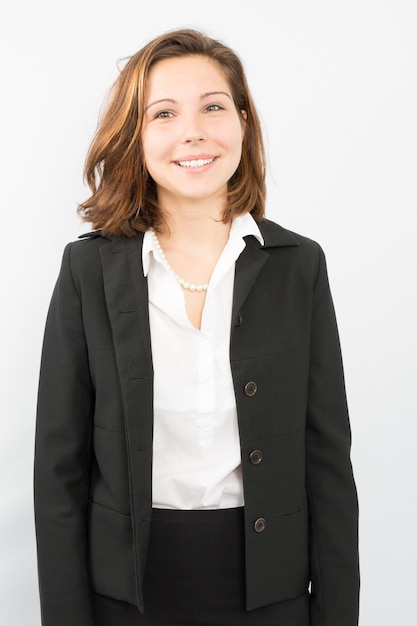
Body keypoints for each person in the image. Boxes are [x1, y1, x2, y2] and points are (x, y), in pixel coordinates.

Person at [34, 28, 360, 626]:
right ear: (136, 137)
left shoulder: (298, 267)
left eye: (213, 107)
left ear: (241, 122)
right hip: (125, 594)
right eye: (164, 113)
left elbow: (327, 463)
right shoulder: (88, 270)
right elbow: (59, 472)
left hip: (271, 589)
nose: (194, 131)